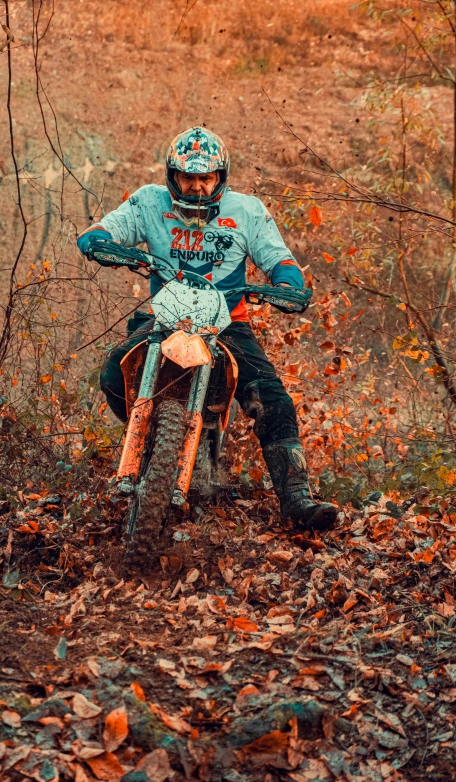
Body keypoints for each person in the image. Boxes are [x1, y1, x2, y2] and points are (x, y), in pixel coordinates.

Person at [77, 127, 337, 531]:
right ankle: (147, 445)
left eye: (206, 178)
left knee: (274, 398)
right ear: (173, 176)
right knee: (113, 375)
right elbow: (103, 230)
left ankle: (297, 500)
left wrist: (287, 285)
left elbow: (280, 260)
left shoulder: (247, 211)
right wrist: (102, 242)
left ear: (220, 177)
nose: (197, 187)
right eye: (188, 177)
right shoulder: (149, 202)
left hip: (228, 324)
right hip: (165, 318)